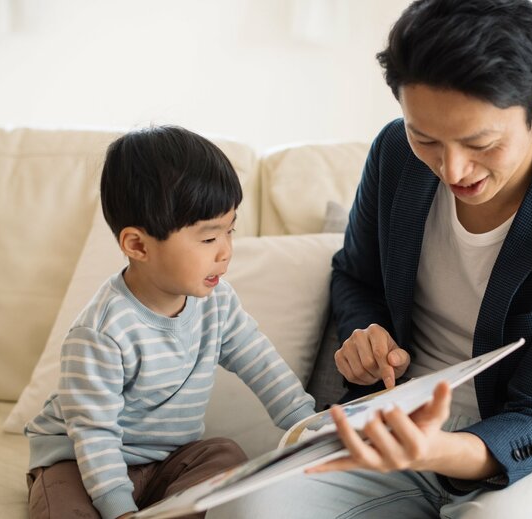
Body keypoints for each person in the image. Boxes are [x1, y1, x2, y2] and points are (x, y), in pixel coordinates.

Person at [219, 0, 532, 518]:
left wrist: (434, 450)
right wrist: (365, 333)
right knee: (247, 508)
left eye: (480, 142)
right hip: (397, 424)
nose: (452, 168)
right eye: (426, 138)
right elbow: (354, 274)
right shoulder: (394, 153)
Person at [24, 126, 316, 519]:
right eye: (209, 239)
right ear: (138, 245)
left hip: (167, 460)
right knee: (64, 507)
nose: (226, 252)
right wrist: (118, 509)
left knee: (225, 455)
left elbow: (261, 363)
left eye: (230, 230)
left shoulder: (218, 304)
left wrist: (309, 425)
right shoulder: (101, 333)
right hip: (78, 460)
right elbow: (94, 435)